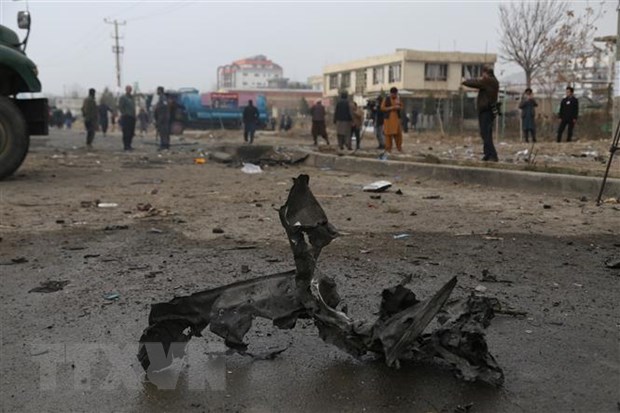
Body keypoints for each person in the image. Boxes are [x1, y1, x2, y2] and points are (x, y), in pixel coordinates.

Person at [462, 66, 499, 162]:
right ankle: (487, 154)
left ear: (486, 73)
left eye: (483, 74)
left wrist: (465, 81)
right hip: (488, 110)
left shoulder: (489, 81)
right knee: (486, 133)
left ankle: (492, 155)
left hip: (487, 111)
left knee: (486, 133)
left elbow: (475, 83)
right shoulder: (492, 82)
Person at [380, 87, 403, 153]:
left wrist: (399, 107)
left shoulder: (398, 99)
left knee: (398, 135)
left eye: (396, 94)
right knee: (388, 135)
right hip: (388, 120)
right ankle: (388, 149)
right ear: (391, 93)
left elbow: (401, 106)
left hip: (396, 120)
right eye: (393, 94)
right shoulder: (386, 99)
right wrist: (392, 108)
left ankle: (399, 148)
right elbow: (382, 108)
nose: (395, 95)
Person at [118, 85, 136, 151]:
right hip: (126, 117)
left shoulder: (132, 98)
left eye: (130, 89)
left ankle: (129, 145)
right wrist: (124, 113)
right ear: (126, 90)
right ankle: (126, 146)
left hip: (132, 117)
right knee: (126, 132)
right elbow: (120, 106)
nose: (129, 90)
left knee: (131, 132)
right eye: (128, 89)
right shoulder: (123, 97)